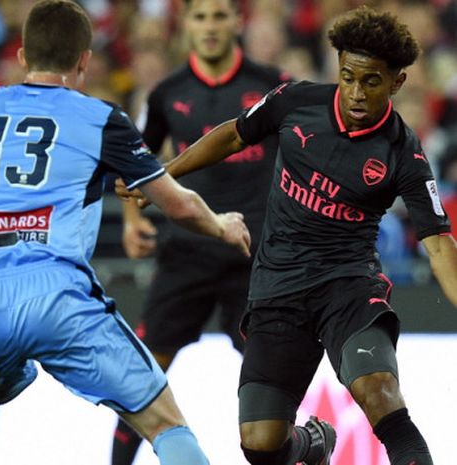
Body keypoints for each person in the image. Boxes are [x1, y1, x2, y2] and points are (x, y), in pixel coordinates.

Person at [0, 1, 251, 464]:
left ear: (23, 56)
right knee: (163, 421)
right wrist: (221, 225)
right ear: (84, 59)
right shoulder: (100, 118)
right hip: (60, 295)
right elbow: (180, 206)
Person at [119, 5, 457, 465]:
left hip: (347, 288)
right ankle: (312, 444)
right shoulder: (296, 101)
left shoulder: (405, 154)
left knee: (381, 395)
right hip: (277, 287)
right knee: (259, 445)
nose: (356, 93)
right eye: (348, 77)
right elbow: (234, 135)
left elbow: (439, 245)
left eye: (372, 81)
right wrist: (163, 176)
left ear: (397, 83)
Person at [114, 0, 286, 462]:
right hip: (185, 254)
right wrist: (132, 221)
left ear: (238, 21)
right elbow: (132, 165)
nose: (210, 26)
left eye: (219, 15)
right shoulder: (167, 93)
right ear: (185, 24)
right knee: (143, 376)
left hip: (254, 258)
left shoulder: (273, 86)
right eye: (200, 16)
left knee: (270, 384)